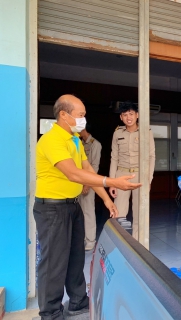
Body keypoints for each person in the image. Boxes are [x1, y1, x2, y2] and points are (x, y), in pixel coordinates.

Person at [34, 94, 141, 320]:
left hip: (72, 207)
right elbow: (73, 174)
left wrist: (106, 199)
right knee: (54, 262)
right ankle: (50, 312)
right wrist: (113, 182)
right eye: (80, 115)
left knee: (75, 257)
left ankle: (78, 301)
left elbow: (88, 172)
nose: (83, 119)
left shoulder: (73, 140)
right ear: (64, 115)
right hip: (52, 209)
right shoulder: (52, 140)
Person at [109, 101, 155, 240]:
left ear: (137, 115)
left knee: (140, 212)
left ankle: (138, 243)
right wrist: (112, 181)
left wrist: (148, 179)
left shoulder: (146, 132)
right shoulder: (117, 133)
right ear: (121, 117)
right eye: (125, 115)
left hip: (140, 175)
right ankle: (119, 242)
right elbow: (114, 158)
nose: (128, 117)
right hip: (121, 174)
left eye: (131, 114)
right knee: (119, 212)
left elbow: (151, 156)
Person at [78, 126, 102, 251]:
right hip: (78, 183)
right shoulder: (78, 143)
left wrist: (87, 184)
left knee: (88, 212)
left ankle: (90, 240)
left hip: (89, 184)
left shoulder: (95, 144)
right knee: (80, 212)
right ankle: (82, 238)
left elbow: (94, 167)